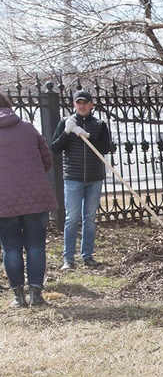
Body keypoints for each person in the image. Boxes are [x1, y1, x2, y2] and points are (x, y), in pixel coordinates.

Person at [0, 93, 57, 308]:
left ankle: (18, 297)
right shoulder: (27, 127)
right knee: (35, 245)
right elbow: (47, 159)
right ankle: (36, 295)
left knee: (11, 247)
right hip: (36, 196)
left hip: (3, 199)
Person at [50, 90, 115, 270]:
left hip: (94, 178)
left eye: (85, 103)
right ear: (74, 105)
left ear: (91, 104)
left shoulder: (99, 124)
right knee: (71, 219)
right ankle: (68, 259)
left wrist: (87, 136)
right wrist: (67, 131)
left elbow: (106, 147)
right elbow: (55, 148)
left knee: (90, 218)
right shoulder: (65, 122)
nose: (82, 106)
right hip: (73, 178)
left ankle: (87, 256)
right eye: (78, 103)